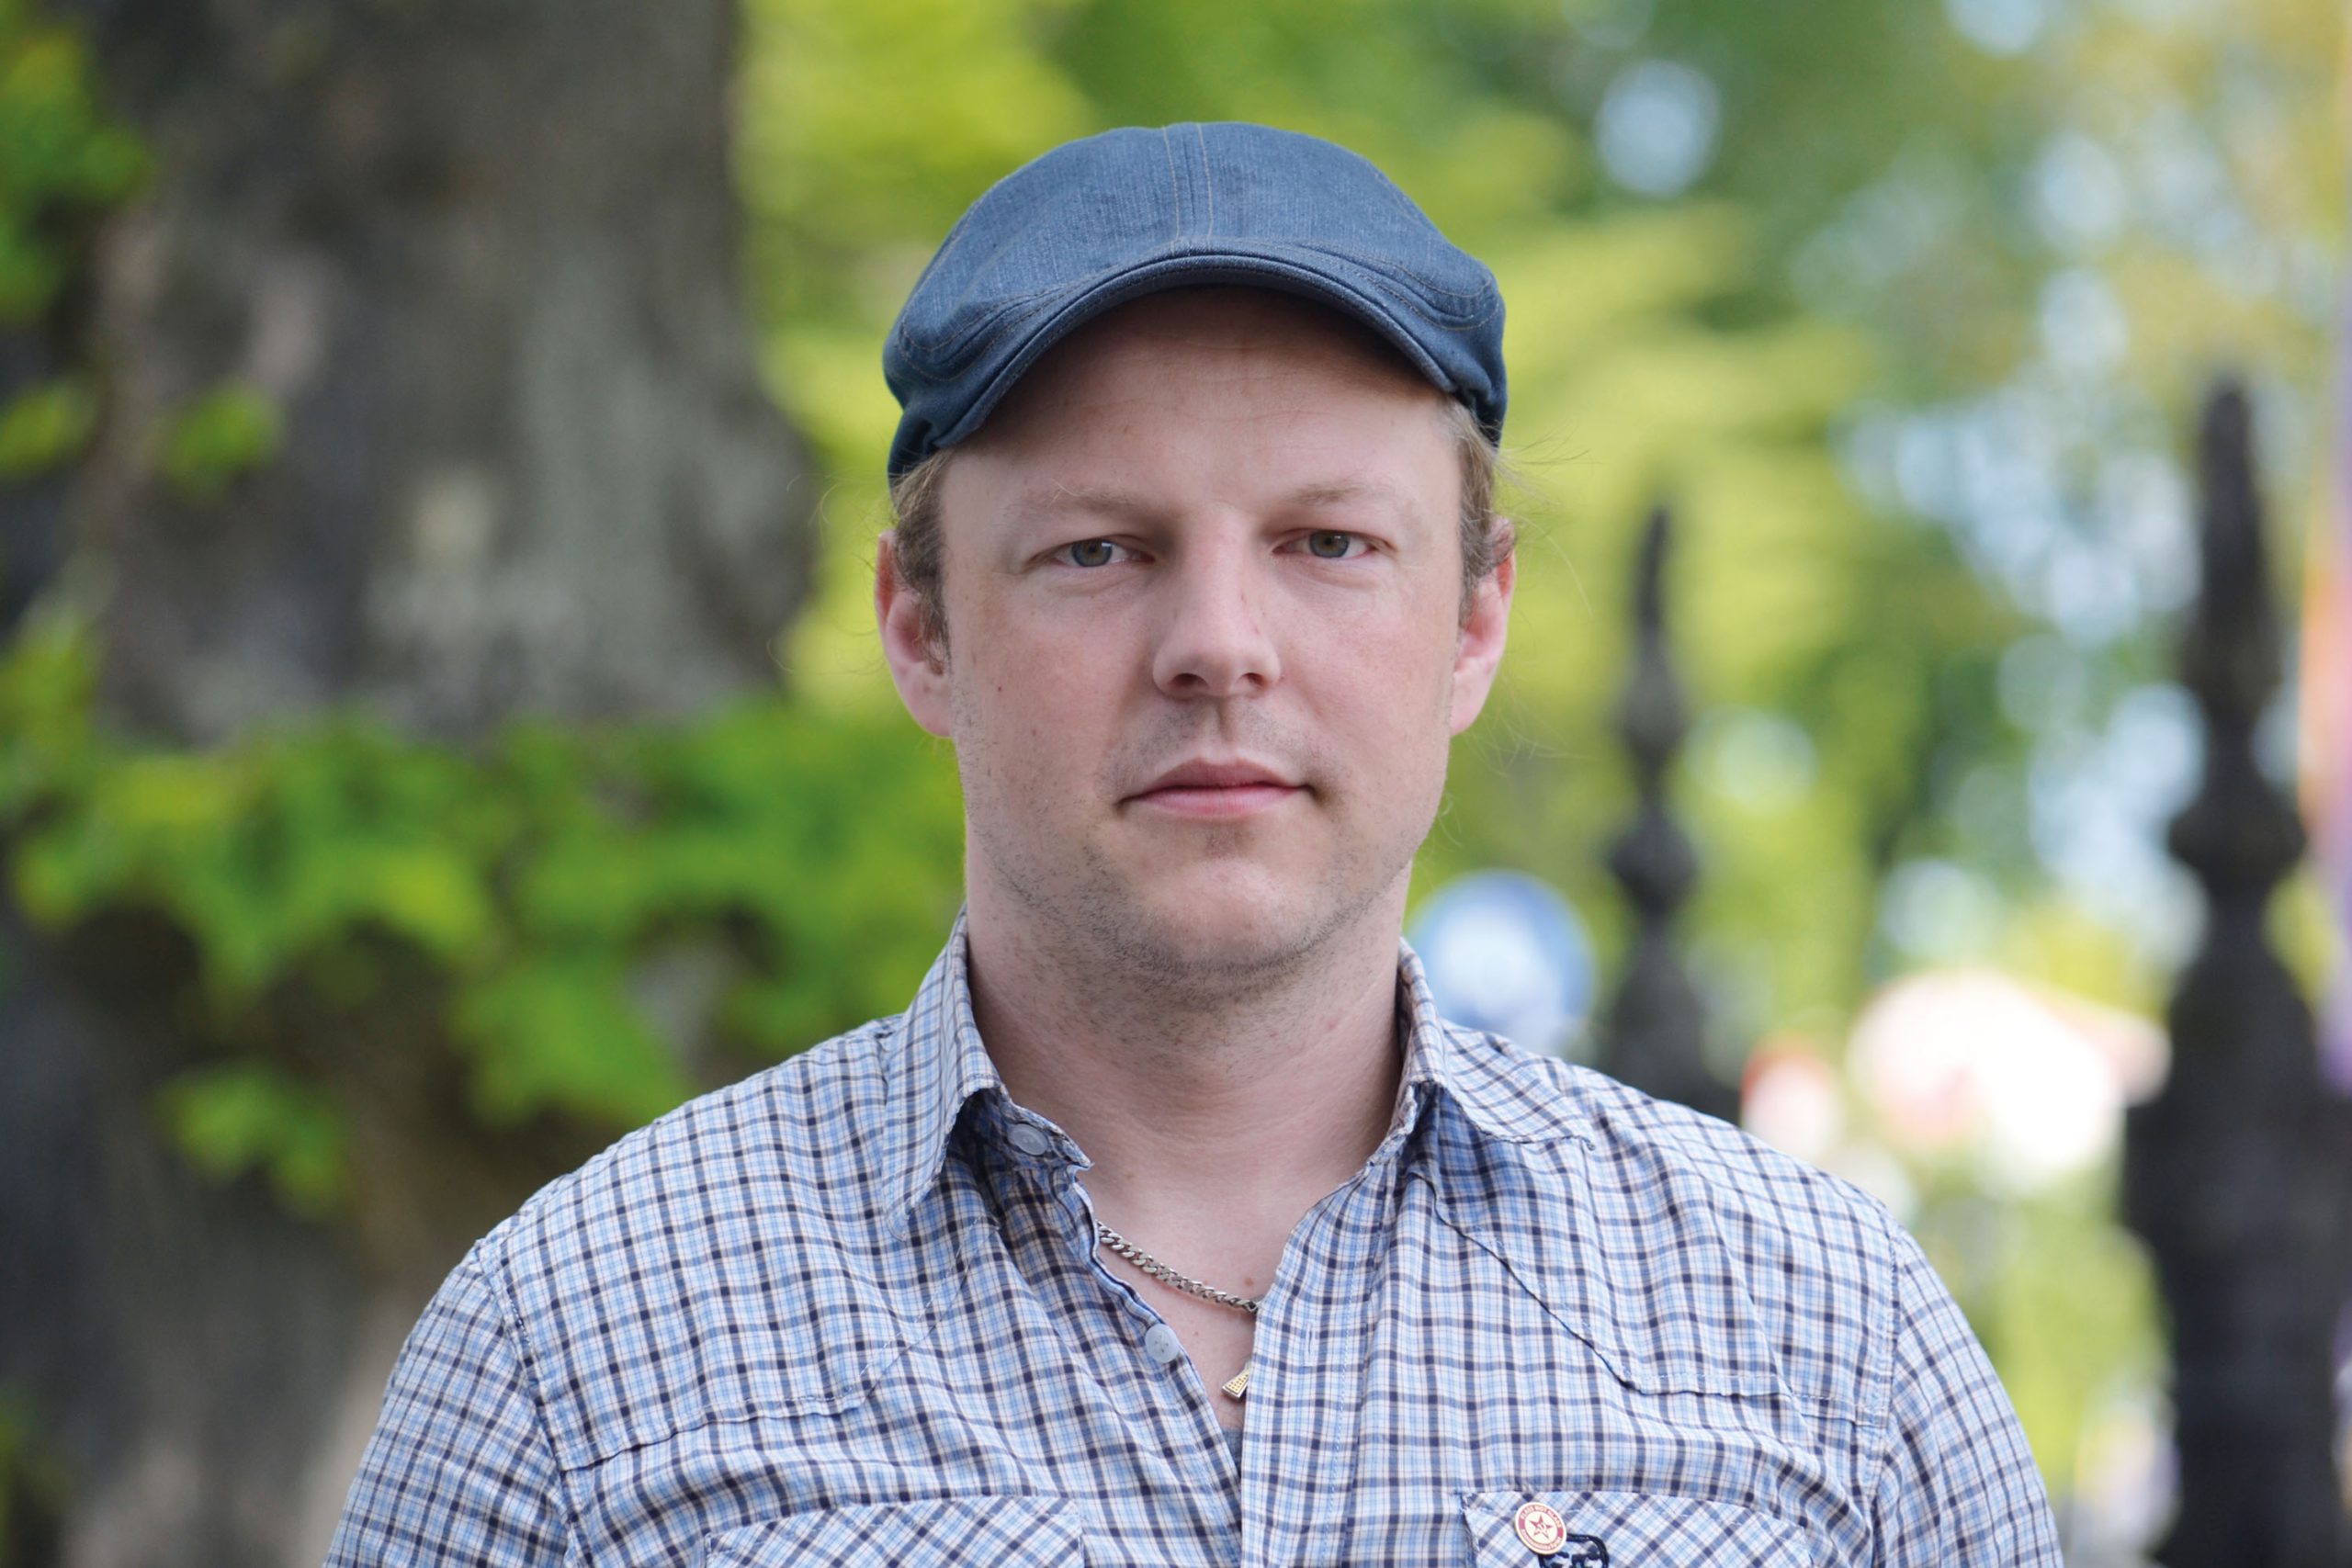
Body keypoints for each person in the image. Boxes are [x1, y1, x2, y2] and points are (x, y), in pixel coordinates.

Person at [326, 123, 2060, 1565]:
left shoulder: (1824, 1331)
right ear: (921, 630)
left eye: (1327, 543)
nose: (1220, 645)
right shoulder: (575, 1350)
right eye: (1097, 550)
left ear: (1476, 621)